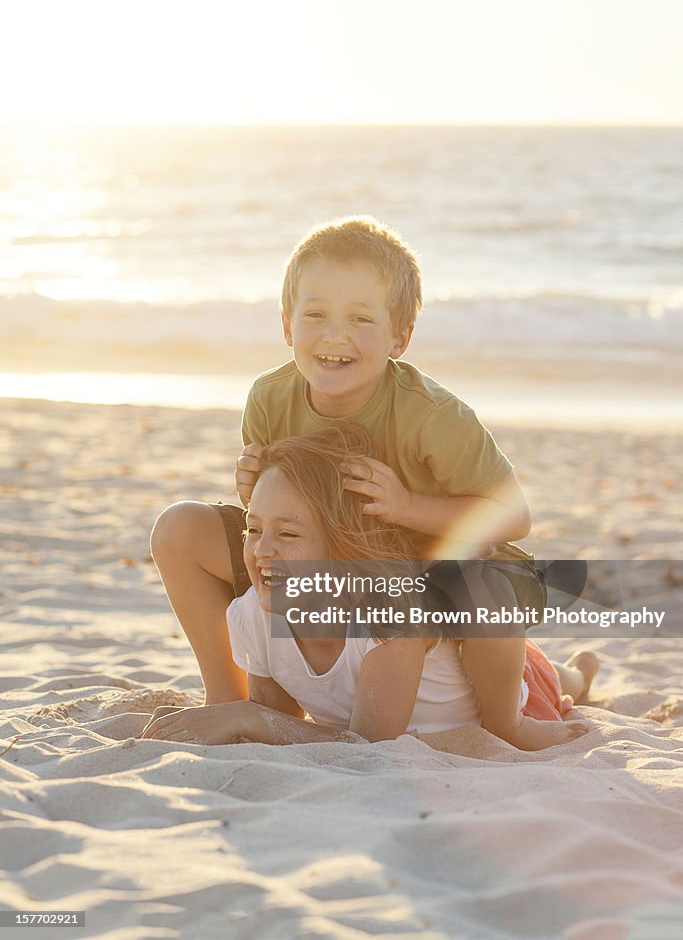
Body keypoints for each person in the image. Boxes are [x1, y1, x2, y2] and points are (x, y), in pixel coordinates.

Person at [150, 215, 580, 706]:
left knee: (504, 642)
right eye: (315, 316)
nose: (335, 336)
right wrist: (254, 492)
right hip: (336, 569)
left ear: (400, 337)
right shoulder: (270, 398)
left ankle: (565, 678)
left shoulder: (432, 415)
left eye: (360, 319)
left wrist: (404, 506)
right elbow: (278, 521)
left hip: (433, 568)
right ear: (287, 326)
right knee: (179, 529)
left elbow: (513, 518)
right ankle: (229, 698)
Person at [142, 427, 597, 749]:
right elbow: (280, 722)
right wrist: (225, 717)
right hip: (454, 660)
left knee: (552, 679)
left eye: (289, 535)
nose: (262, 551)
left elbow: (368, 744)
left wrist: (244, 716)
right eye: (253, 529)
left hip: (508, 688)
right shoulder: (249, 617)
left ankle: (581, 671)